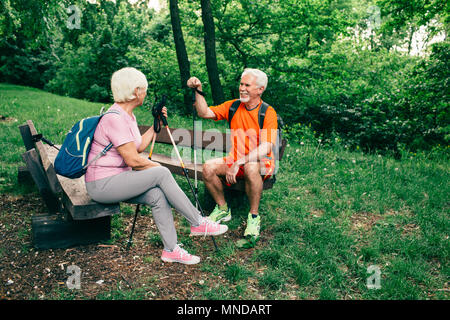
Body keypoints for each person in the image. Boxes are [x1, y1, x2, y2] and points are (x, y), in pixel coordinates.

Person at [85, 67, 228, 265]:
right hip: (102, 184)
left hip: (117, 180)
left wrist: (155, 125)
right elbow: (133, 160)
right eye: (144, 89)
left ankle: (171, 250)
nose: (145, 92)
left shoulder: (128, 116)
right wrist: (156, 168)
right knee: (161, 173)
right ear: (136, 91)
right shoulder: (114, 119)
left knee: (157, 196)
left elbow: (139, 147)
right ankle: (197, 222)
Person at [187, 68, 278, 241]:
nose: (242, 88)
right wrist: (198, 90)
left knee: (251, 167)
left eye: (247, 85)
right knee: (208, 167)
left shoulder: (268, 112)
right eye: (241, 84)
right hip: (235, 160)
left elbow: (266, 147)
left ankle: (253, 217)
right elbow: (204, 112)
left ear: (260, 89)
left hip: (261, 163)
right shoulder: (234, 106)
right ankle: (223, 208)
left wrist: (240, 162)